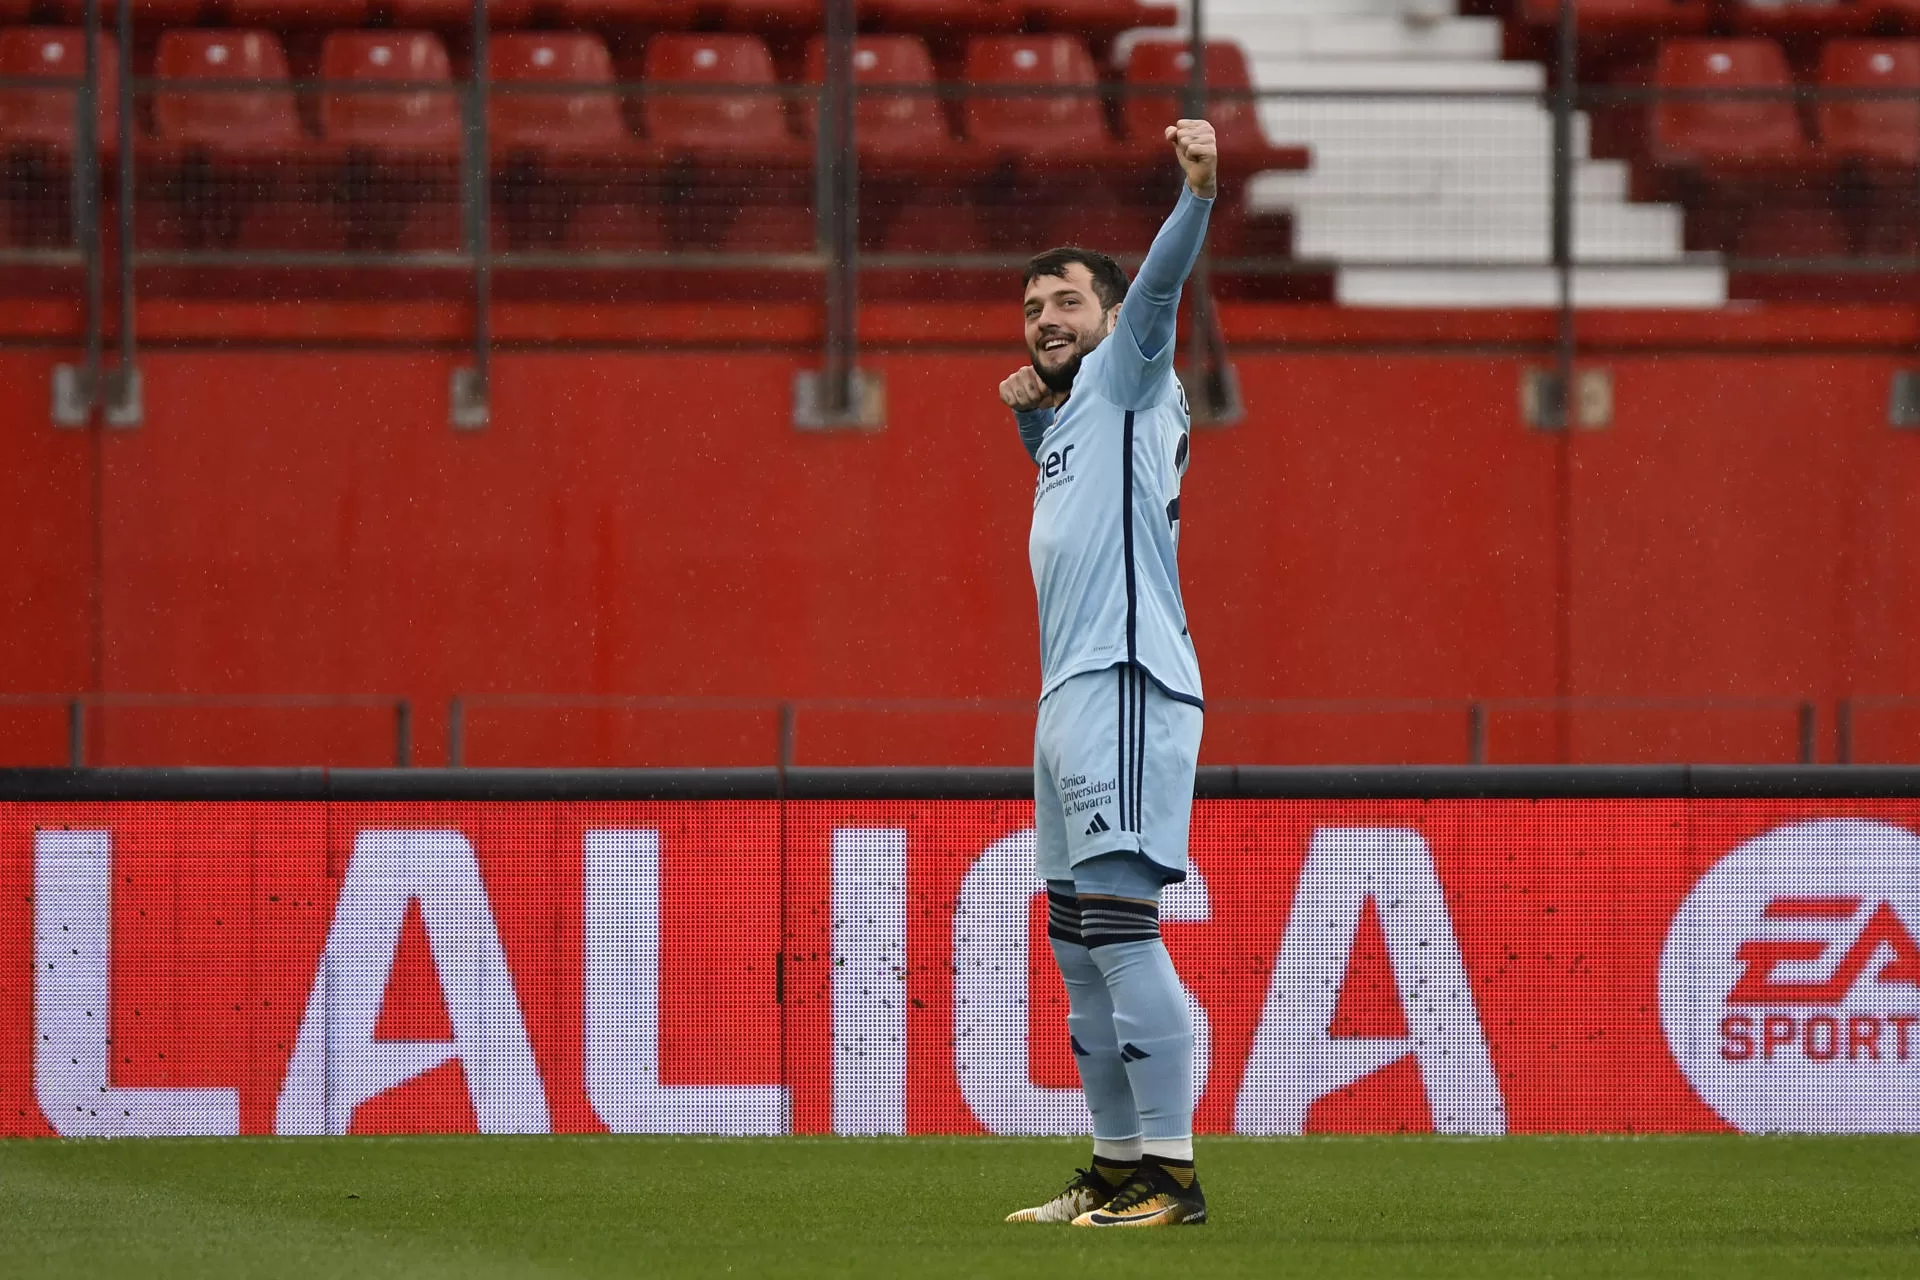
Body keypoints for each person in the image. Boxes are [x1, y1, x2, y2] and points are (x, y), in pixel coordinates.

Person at [999, 119, 1216, 1229]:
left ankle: (1172, 1179)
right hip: (1068, 698)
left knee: (1122, 929)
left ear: (1110, 315)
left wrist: (1196, 192)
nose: (1048, 320)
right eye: (1034, 308)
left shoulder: (1130, 372)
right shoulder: (1077, 418)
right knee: (1075, 938)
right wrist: (1034, 429)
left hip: (1127, 682)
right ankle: (1115, 1161)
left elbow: (1164, 290)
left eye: (1068, 303)